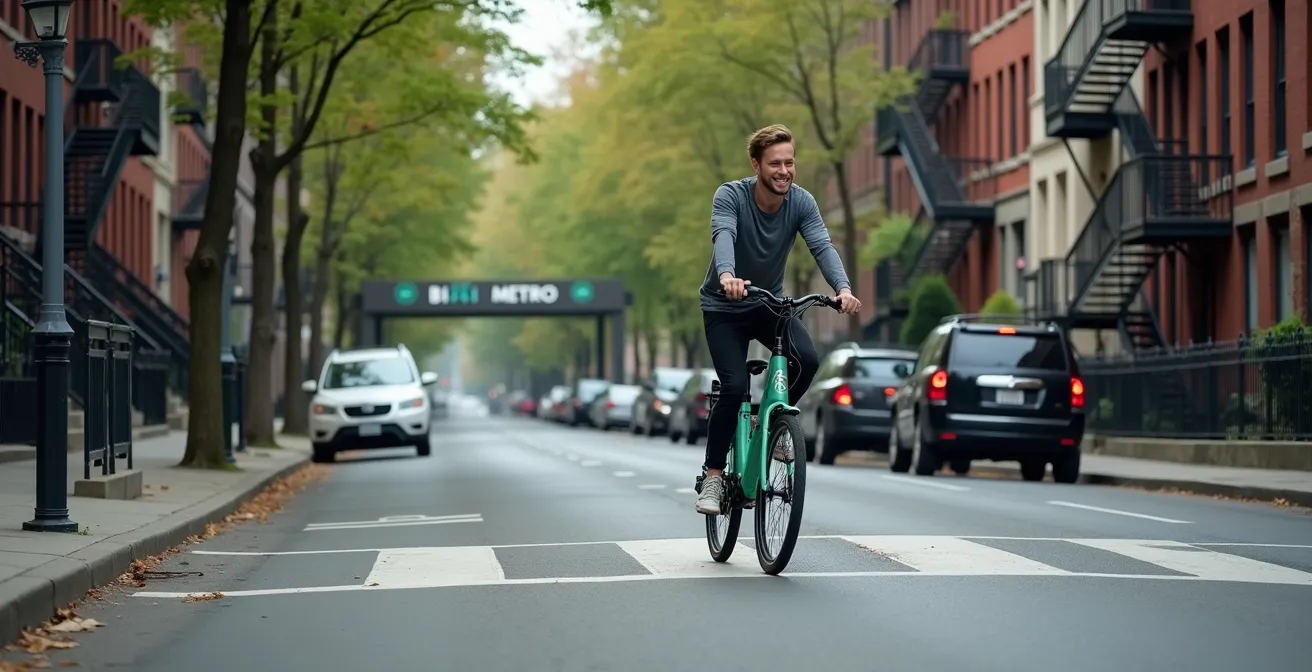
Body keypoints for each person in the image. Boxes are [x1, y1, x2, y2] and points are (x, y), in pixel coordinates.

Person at [695, 124, 862, 515]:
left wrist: (843, 288)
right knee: (735, 387)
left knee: (810, 360)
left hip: (767, 304)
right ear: (756, 165)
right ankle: (715, 476)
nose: (784, 170)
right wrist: (726, 276)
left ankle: (768, 428)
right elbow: (723, 234)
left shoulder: (802, 202)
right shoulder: (730, 195)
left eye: (789, 162)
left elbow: (821, 244)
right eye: (775, 164)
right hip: (724, 307)